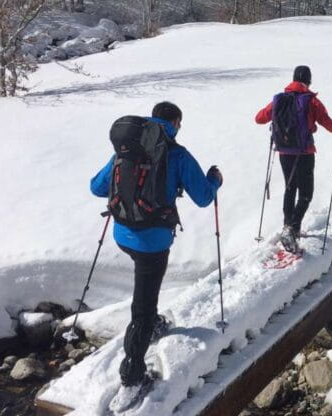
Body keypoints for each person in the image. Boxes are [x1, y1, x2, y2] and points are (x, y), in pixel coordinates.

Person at [90, 102, 222, 411]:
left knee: (145, 290)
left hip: (123, 234)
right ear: (176, 122)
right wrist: (215, 179)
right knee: (143, 302)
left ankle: (152, 322)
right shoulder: (177, 153)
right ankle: (132, 375)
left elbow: (97, 187)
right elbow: (203, 197)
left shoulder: (127, 149)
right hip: (154, 241)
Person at [255, 65, 332, 253]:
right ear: (309, 80)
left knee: (290, 188)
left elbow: (259, 118)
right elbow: (328, 125)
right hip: (304, 153)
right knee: (306, 193)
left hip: (284, 153)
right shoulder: (312, 102)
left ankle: (288, 227)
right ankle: (292, 229)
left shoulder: (279, 100)